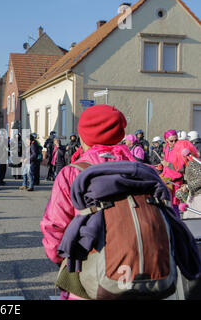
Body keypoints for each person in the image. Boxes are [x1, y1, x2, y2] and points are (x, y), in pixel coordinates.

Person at [40, 104, 135, 300]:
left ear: (84, 138)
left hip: (89, 278)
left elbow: (54, 227)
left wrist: (65, 264)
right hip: (142, 277)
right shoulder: (143, 172)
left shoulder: (72, 173)